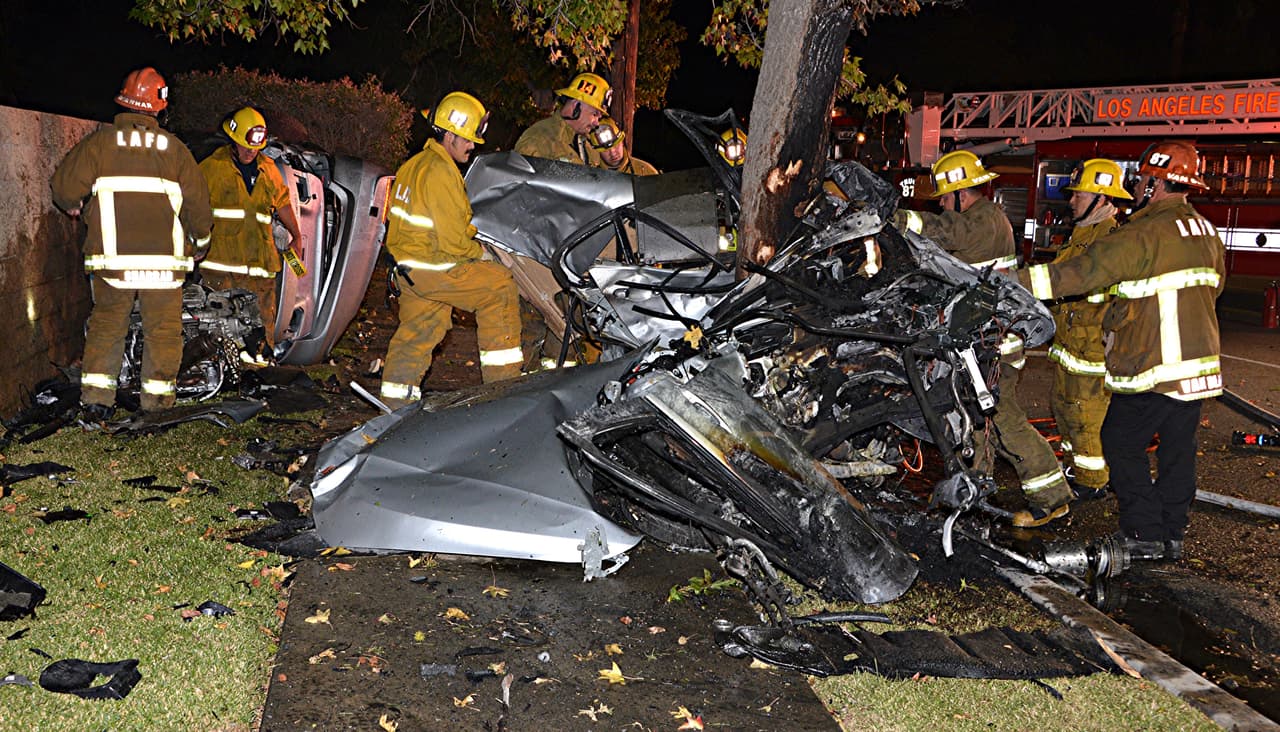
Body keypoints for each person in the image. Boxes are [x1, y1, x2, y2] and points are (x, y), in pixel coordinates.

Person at [1019, 141, 1226, 560]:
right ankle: (1171, 534)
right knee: (1177, 452)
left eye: (1145, 178)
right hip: (1198, 366)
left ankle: (1144, 533)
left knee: (1119, 442)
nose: (1140, 185)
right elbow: (1215, 286)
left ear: (1154, 182)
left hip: (1155, 364)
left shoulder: (1146, 232)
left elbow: (1080, 272)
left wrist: (1011, 285)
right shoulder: (1204, 229)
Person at [893, 150, 1072, 527]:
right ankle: (974, 488)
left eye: (945, 196)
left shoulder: (983, 220)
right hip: (982, 344)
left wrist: (898, 219)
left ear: (961, 192)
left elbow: (947, 232)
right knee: (977, 421)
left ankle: (1052, 497)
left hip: (996, 347)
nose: (942, 204)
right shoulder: (983, 219)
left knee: (1004, 419)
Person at [51, 67, 213, 419]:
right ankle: (156, 406)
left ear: (124, 100)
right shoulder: (175, 150)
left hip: (114, 264)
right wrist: (200, 242)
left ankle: (96, 403)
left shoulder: (100, 143)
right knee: (164, 332)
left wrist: (74, 205)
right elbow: (199, 207)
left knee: (108, 326)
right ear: (159, 106)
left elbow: (63, 189)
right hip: (164, 268)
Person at [378, 91, 523, 409]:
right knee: (499, 287)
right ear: (451, 133)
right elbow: (454, 241)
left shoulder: (413, 166)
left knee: (418, 332)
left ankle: (393, 408)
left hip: (408, 270)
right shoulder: (442, 172)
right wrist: (481, 252)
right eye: (469, 139)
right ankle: (504, 395)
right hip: (434, 266)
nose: (473, 146)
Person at [1047, 159, 1131, 501]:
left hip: (1092, 350)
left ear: (1100, 197)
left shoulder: (1112, 239)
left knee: (1086, 417)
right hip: (1070, 346)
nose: (1071, 201)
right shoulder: (1081, 234)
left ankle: (1093, 482)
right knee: (1064, 411)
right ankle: (1075, 468)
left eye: (1078, 195)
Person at [198, 107, 303, 359]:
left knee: (261, 330)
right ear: (233, 140)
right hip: (222, 271)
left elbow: (284, 203)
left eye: (255, 147)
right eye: (245, 146)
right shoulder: (211, 168)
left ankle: (259, 372)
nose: (250, 151)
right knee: (223, 329)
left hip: (260, 272)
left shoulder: (268, 170)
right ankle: (222, 376)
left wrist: (296, 235)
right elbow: (190, 207)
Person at [514, 72, 611, 166]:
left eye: (599, 117)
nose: (596, 123)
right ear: (575, 106)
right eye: (594, 114)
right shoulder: (538, 139)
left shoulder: (589, 145)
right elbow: (520, 178)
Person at [588, 117, 658, 175]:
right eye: (606, 150)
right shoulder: (591, 176)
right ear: (597, 151)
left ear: (622, 142)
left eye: (616, 145)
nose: (612, 153)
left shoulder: (646, 172)